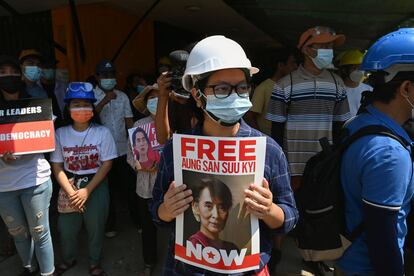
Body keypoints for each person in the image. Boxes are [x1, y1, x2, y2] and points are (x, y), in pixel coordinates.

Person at [151, 35, 298, 275]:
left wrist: (269, 210)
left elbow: (289, 218)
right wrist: (166, 209)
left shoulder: (268, 150)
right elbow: (156, 213)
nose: (234, 95)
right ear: (197, 96)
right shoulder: (176, 150)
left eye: (241, 87)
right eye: (221, 89)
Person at [336, 28, 414, 276]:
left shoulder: (360, 122)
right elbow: (383, 239)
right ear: (406, 88)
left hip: (346, 261)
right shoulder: (389, 153)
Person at [266, 26, 351, 192]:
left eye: (331, 47)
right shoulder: (284, 85)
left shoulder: (337, 83)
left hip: (326, 165)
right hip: (292, 167)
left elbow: (340, 126)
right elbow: (276, 129)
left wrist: (336, 159)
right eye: (324, 46)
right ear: (306, 49)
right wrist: (278, 164)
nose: (329, 51)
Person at [50, 82, 117, 276]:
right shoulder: (60, 133)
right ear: (68, 107)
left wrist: (87, 190)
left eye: (86, 104)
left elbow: (107, 163)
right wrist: (71, 192)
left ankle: (94, 263)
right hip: (69, 183)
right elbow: (57, 166)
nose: (82, 108)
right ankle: (69, 259)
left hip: (96, 183)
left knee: (96, 226)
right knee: (66, 228)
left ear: (92, 108)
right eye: (76, 104)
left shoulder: (102, 132)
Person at [0, 55, 55, 276]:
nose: (8, 77)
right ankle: (28, 268)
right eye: (2, 73)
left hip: (36, 180)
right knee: (18, 233)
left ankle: (47, 272)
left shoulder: (37, 104)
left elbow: (47, 136)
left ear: (20, 76)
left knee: (40, 232)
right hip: (4, 187)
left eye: (13, 72)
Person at [93, 59, 135, 238]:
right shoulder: (91, 95)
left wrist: (135, 146)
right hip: (102, 154)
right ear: (97, 77)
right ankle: (110, 225)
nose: (108, 78)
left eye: (111, 75)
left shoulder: (123, 96)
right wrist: (104, 100)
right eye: (105, 75)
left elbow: (129, 122)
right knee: (106, 191)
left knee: (129, 187)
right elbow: (89, 117)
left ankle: (137, 220)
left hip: (123, 149)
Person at [127, 84, 161, 275]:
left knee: (175, 226)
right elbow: (130, 157)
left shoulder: (173, 123)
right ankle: (149, 262)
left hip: (170, 185)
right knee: (148, 227)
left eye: (158, 97)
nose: (155, 101)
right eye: (151, 99)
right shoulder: (138, 126)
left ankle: (176, 260)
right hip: (145, 186)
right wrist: (143, 166)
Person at [245, 48, 298, 136]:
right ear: (281, 65)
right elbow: (250, 116)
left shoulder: (293, 86)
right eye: (292, 63)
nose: (296, 67)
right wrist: (262, 138)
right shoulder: (264, 87)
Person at [189, 177, 238, 252]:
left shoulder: (232, 248)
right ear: (196, 207)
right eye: (208, 206)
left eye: (222, 208)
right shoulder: (193, 245)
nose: (216, 215)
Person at [337, 49, 373, 117]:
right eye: (354, 68)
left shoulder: (369, 90)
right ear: (344, 70)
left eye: (361, 68)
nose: (359, 71)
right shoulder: (337, 90)